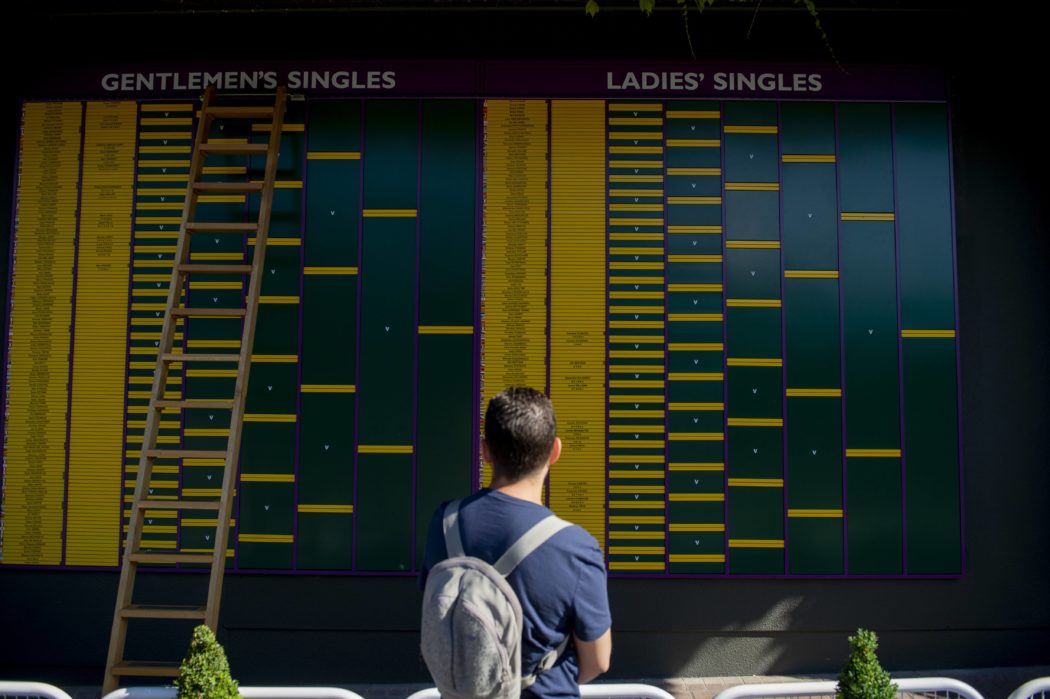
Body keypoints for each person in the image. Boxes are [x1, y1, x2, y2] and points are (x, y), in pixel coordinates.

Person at [421, 386, 612, 699]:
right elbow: (597, 661)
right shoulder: (576, 547)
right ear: (555, 451)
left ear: (485, 450)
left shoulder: (444, 523)